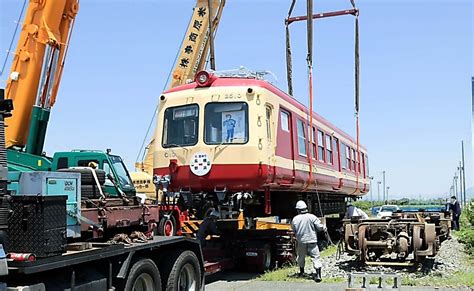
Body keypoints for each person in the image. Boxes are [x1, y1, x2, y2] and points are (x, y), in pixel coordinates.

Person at [291, 200, 326, 282]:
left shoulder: (295, 219)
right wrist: (324, 227)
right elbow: (320, 227)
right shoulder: (312, 217)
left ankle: (302, 272)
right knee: (315, 257)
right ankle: (318, 275)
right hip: (312, 240)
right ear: (306, 208)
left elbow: (293, 230)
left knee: (301, 257)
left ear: (298, 210)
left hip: (301, 241)